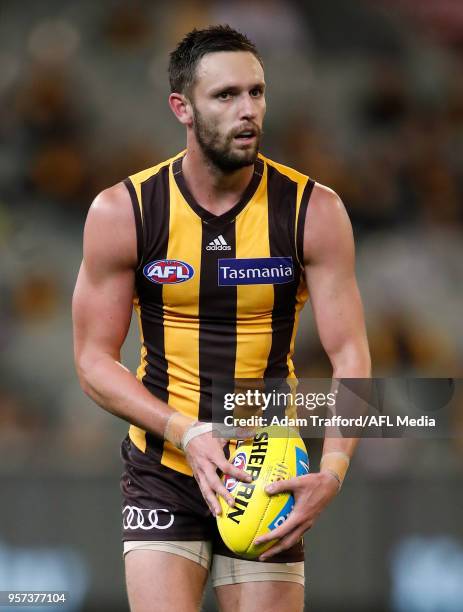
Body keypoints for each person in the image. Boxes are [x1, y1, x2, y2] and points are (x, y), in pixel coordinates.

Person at [72, 25, 370, 612]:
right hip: (165, 464)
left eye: (257, 93)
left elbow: (351, 357)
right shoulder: (123, 212)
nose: (248, 111)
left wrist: (332, 471)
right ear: (181, 108)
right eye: (226, 95)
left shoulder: (315, 211)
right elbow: (91, 361)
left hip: (267, 465)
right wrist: (186, 430)